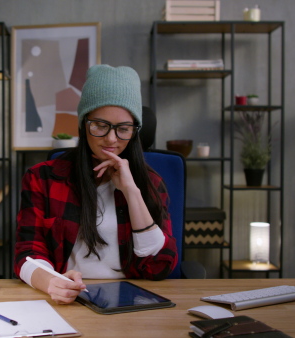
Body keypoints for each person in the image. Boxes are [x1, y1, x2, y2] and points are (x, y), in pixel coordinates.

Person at [14, 65, 178, 304]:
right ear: (84, 124)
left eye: (123, 129)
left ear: (134, 131)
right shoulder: (42, 179)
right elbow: (27, 253)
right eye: (100, 125)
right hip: (69, 297)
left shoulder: (151, 183)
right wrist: (52, 282)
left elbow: (158, 267)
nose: (111, 139)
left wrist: (132, 192)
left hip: (131, 301)